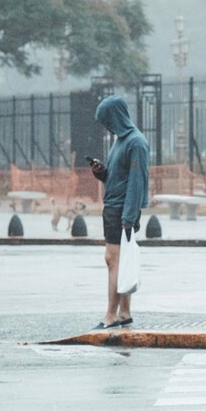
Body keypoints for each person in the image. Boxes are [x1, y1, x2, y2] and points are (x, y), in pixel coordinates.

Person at [88, 96, 150, 329]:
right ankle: (124, 313)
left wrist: (129, 217)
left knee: (112, 260)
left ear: (116, 116)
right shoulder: (120, 142)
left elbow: (136, 183)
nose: (106, 126)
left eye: (107, 120)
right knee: (119, 262)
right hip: (114, 207)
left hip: (122, 210)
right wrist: (101, 173)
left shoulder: (136, 143)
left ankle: (111, 315)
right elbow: (118, 178)